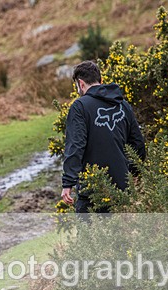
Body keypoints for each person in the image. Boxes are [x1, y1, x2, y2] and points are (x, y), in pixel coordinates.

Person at [61, 60, 146, 213]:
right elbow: (138, 143)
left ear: (80, 84)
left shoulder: (79, 107)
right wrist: (132, 174)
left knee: (91, 236)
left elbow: (76, 145)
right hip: (122, 188)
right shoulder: (122, 104)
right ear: (100, 81)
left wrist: (68, 182)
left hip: (93, 190)